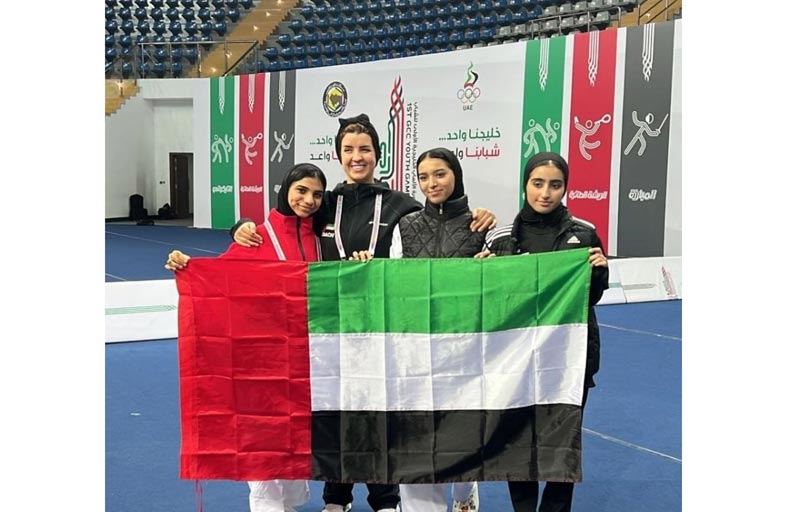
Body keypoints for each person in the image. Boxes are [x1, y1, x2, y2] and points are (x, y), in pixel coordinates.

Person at [230, 114, 498, 512]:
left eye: (365, 149)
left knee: (380, 412)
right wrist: (241, 226)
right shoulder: (324, 203)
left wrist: (481, 215)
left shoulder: (401, 205)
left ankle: (384, 496)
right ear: (339, 155)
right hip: (330, 327)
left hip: (382, 326)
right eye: (349, 150)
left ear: (377, 154)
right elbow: (286, 220)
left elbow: (435, 218)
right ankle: (336, 496)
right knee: (333, 411)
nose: (357, 157)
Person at [165, 163, 328, 512]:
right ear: (285, 190)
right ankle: (266, 503)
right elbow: (223, 278)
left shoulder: (320, 239)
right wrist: (188, 267)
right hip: (262, 356)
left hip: (307, 359)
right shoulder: (257, 236)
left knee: (297, 436)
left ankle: (288, 498)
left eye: (317, 194)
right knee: (263, 434)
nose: (308, 200)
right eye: (301, 190)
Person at [485, 152, 609, 512]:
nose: (545, 193)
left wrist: (599, 271)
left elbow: (590, 297)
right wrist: (483, 273)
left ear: (565, 188)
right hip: (515, 360)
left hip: (570, 358)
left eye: (555, 185)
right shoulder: (501, 239)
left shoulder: (583, 233)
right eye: (537, 183)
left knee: (562, 441)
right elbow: (490, 304)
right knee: (516, 441)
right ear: (525, 184)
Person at [389, 147, 487, 512]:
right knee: (415, 434)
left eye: (440, 174)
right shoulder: (406, 226)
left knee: (461, 430)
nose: (432, 183)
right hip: (416, 347)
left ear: (456, 175)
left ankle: (465, 489)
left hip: (465, 348)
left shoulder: (481, 225)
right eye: (424, 177)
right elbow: (394, 283)